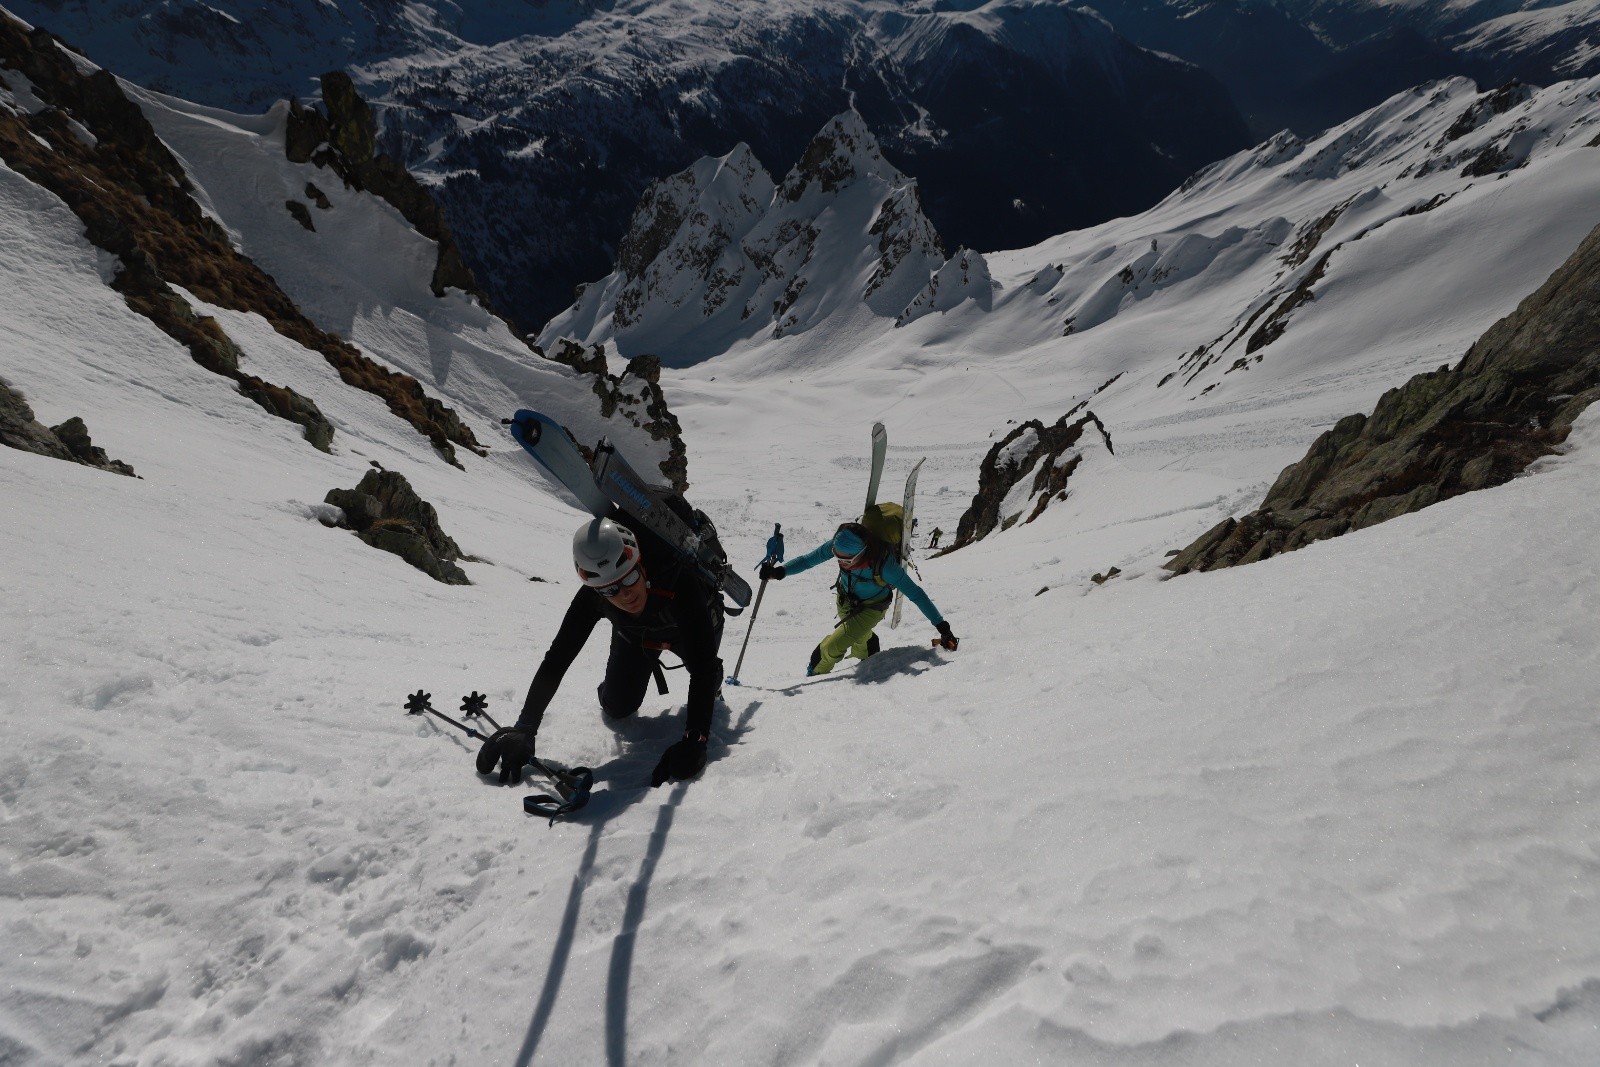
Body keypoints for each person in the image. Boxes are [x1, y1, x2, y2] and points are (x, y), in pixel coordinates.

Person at [476, 516, 724, 788]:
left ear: (640, 563)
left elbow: (702, 669)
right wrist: (525, 726)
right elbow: (557, 659)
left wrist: (695, 739)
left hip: (688, 631)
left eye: (630, 577)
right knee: (617, 706)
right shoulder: (592, 597)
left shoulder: (679, 582)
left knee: (707, 674)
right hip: (636, 637)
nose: (625, 594)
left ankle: (715, 681)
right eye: (609, 589)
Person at [760, 522, 957, 675]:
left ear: (862, 553)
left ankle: (815, 677)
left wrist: (943, 627)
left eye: (845, 560)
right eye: (837, 557)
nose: (841, 563)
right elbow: (808, 560)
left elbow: (916, 594)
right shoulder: (841, 544)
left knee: (831, 648)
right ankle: (869, 648)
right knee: (859, 636)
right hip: (845, 599)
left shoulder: (885, 566)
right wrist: (780, 572)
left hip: (872, 608)